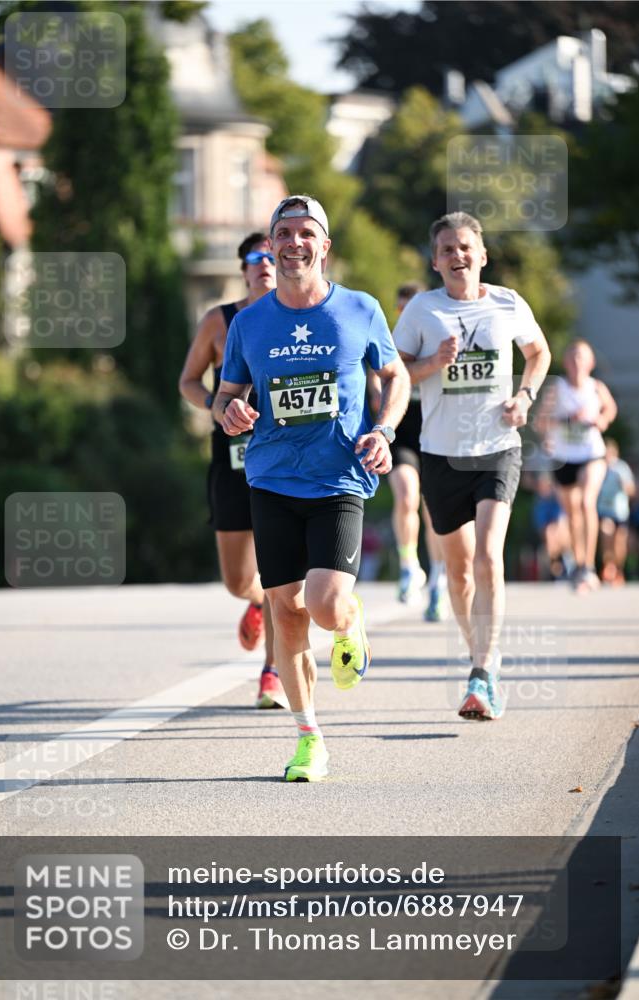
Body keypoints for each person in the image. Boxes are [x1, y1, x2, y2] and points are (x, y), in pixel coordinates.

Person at [213, 195, 410, 781]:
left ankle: (350, 621)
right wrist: (229, 413)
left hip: (340, 477)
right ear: (270, 247)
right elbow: (227, 394)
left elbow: (394, 375)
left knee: (324, 606)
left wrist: (385, 428)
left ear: (324, 246)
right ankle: (308, 739)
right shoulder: (248, 324)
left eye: (305, 233)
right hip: (271, 478)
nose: (294, 242)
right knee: (287, 611)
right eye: (284, 233)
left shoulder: (360, 309)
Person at [394, 211, 551, 721]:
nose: (457, 256)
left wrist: (525, 396)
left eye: (465, 247)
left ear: (481, 255)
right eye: (447, 250)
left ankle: (482, 671)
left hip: (497, 448)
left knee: (487, 557)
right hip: (441, 453)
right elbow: (396, 375)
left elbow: (539, 352)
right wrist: (434, 363)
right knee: (459, 574)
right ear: (435, 261)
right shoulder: (422, 309)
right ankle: (480, 651)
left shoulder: (508, 303)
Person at [179, 233, 286, 709]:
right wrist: (215, 405)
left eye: (271, 256)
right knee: (240, 580)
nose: (264, 264)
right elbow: (187, 380)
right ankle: (258, 600)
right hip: (232, 460)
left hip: (284, 461)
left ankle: (272, 672)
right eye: (255, 258)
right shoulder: (219, 322)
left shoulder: (298, 320)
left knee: (281, 571)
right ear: (243, 269)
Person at [536, 339, 617, 593]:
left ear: (591, 362)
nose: (577, 361)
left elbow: (610, 409)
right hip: (563, 458)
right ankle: (580, 563)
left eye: (582, 356)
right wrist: (565, 420)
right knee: (572, 514)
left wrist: (601, 420)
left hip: (591, 454)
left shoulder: (596, 388)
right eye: (572, 356)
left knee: (586, 503)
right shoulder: (557, 389)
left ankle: (590, 566)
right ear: (565, 363)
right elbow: (540, 422)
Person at [388, 282, 448, 618]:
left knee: (432, 511)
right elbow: (377, 387)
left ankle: (438, 580)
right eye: (401, 308)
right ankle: (409, 565)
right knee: (407, 495)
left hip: (436, 431)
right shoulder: (388, 342)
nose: (406, 314)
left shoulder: (440, 341)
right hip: (401, 432)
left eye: (411, 307)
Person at [597, 438, 636, 585]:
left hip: (620, 512)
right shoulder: (598, 468)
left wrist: (623, 484)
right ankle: (609, 567)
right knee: (606, 532)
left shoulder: (621, 468)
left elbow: (632, 490)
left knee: (620, 542)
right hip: (604, 511)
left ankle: (618, 569)